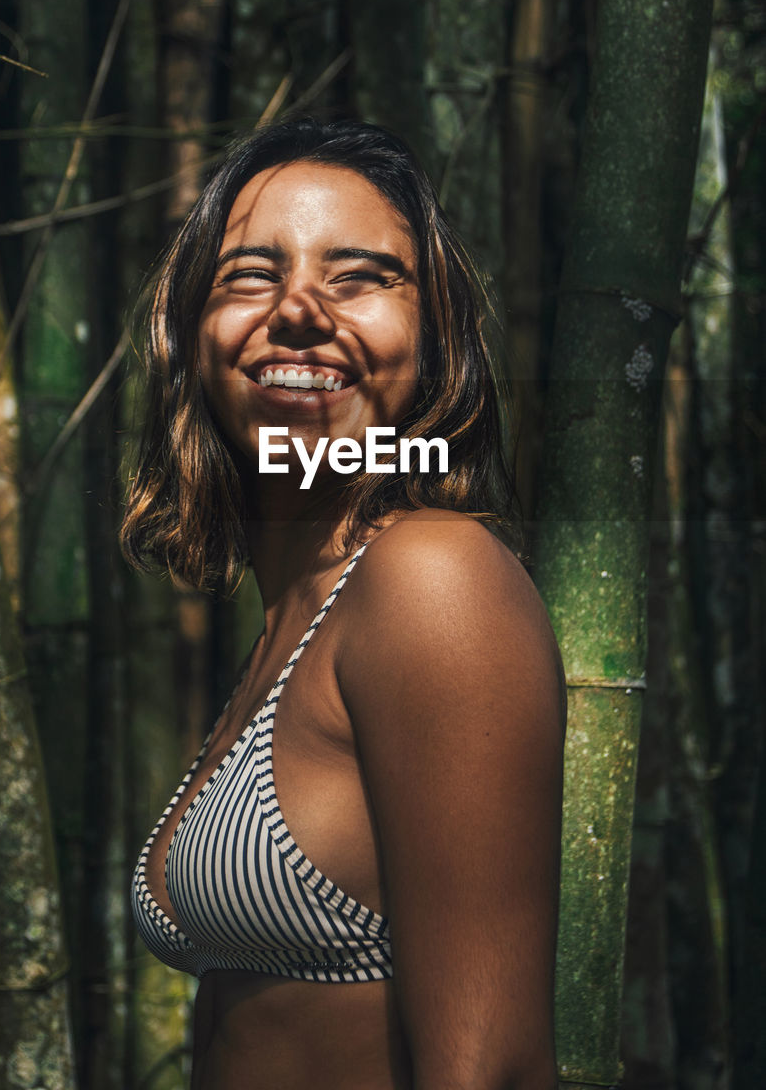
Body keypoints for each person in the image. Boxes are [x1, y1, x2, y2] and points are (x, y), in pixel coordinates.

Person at [121, 118, 565, 1090]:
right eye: (248, 274)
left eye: (360, 274)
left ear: (433, 333)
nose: (298, 310)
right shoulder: (292, 611)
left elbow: (492, 1067)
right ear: (189, 331)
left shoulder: (432, 578)